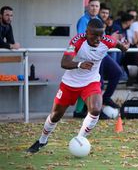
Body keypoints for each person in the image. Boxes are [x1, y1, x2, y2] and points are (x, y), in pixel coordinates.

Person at [26, 19, 129, 153]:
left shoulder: (106, 40)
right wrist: (80, 64)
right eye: (94, 36)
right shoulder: (77, 41)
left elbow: (120, 45)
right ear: (86, 33)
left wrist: (125, 46)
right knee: (55, 115)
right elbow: (64, 62)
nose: (98, 39)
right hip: (70, 83)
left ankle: (80, 140)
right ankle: (42, 140)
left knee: (96, 110)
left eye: (100, 35)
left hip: (91, 82)